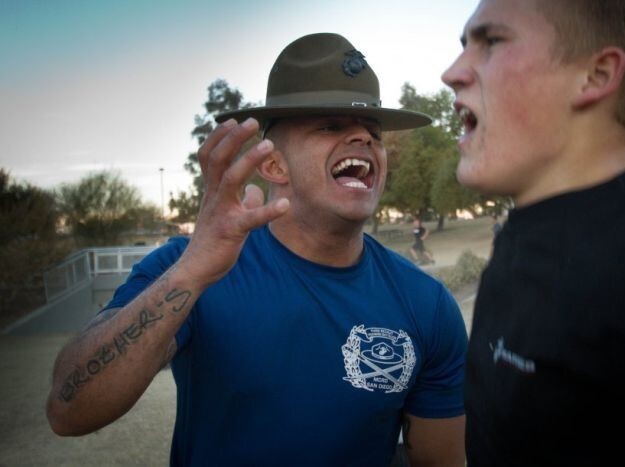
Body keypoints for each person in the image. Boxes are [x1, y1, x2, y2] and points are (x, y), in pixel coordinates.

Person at [46, 33, 467, 466]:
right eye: (331, 126)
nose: (363, 138)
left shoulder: (426, 305)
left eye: (373, 133)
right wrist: (192, 273)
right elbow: (68, 409)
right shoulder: (188, 268)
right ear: (272, 165)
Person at [442, 0, 625, 465]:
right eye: (464, 46)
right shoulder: (518, 242)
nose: (453, 72)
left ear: (596, 75)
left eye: (492, 41)